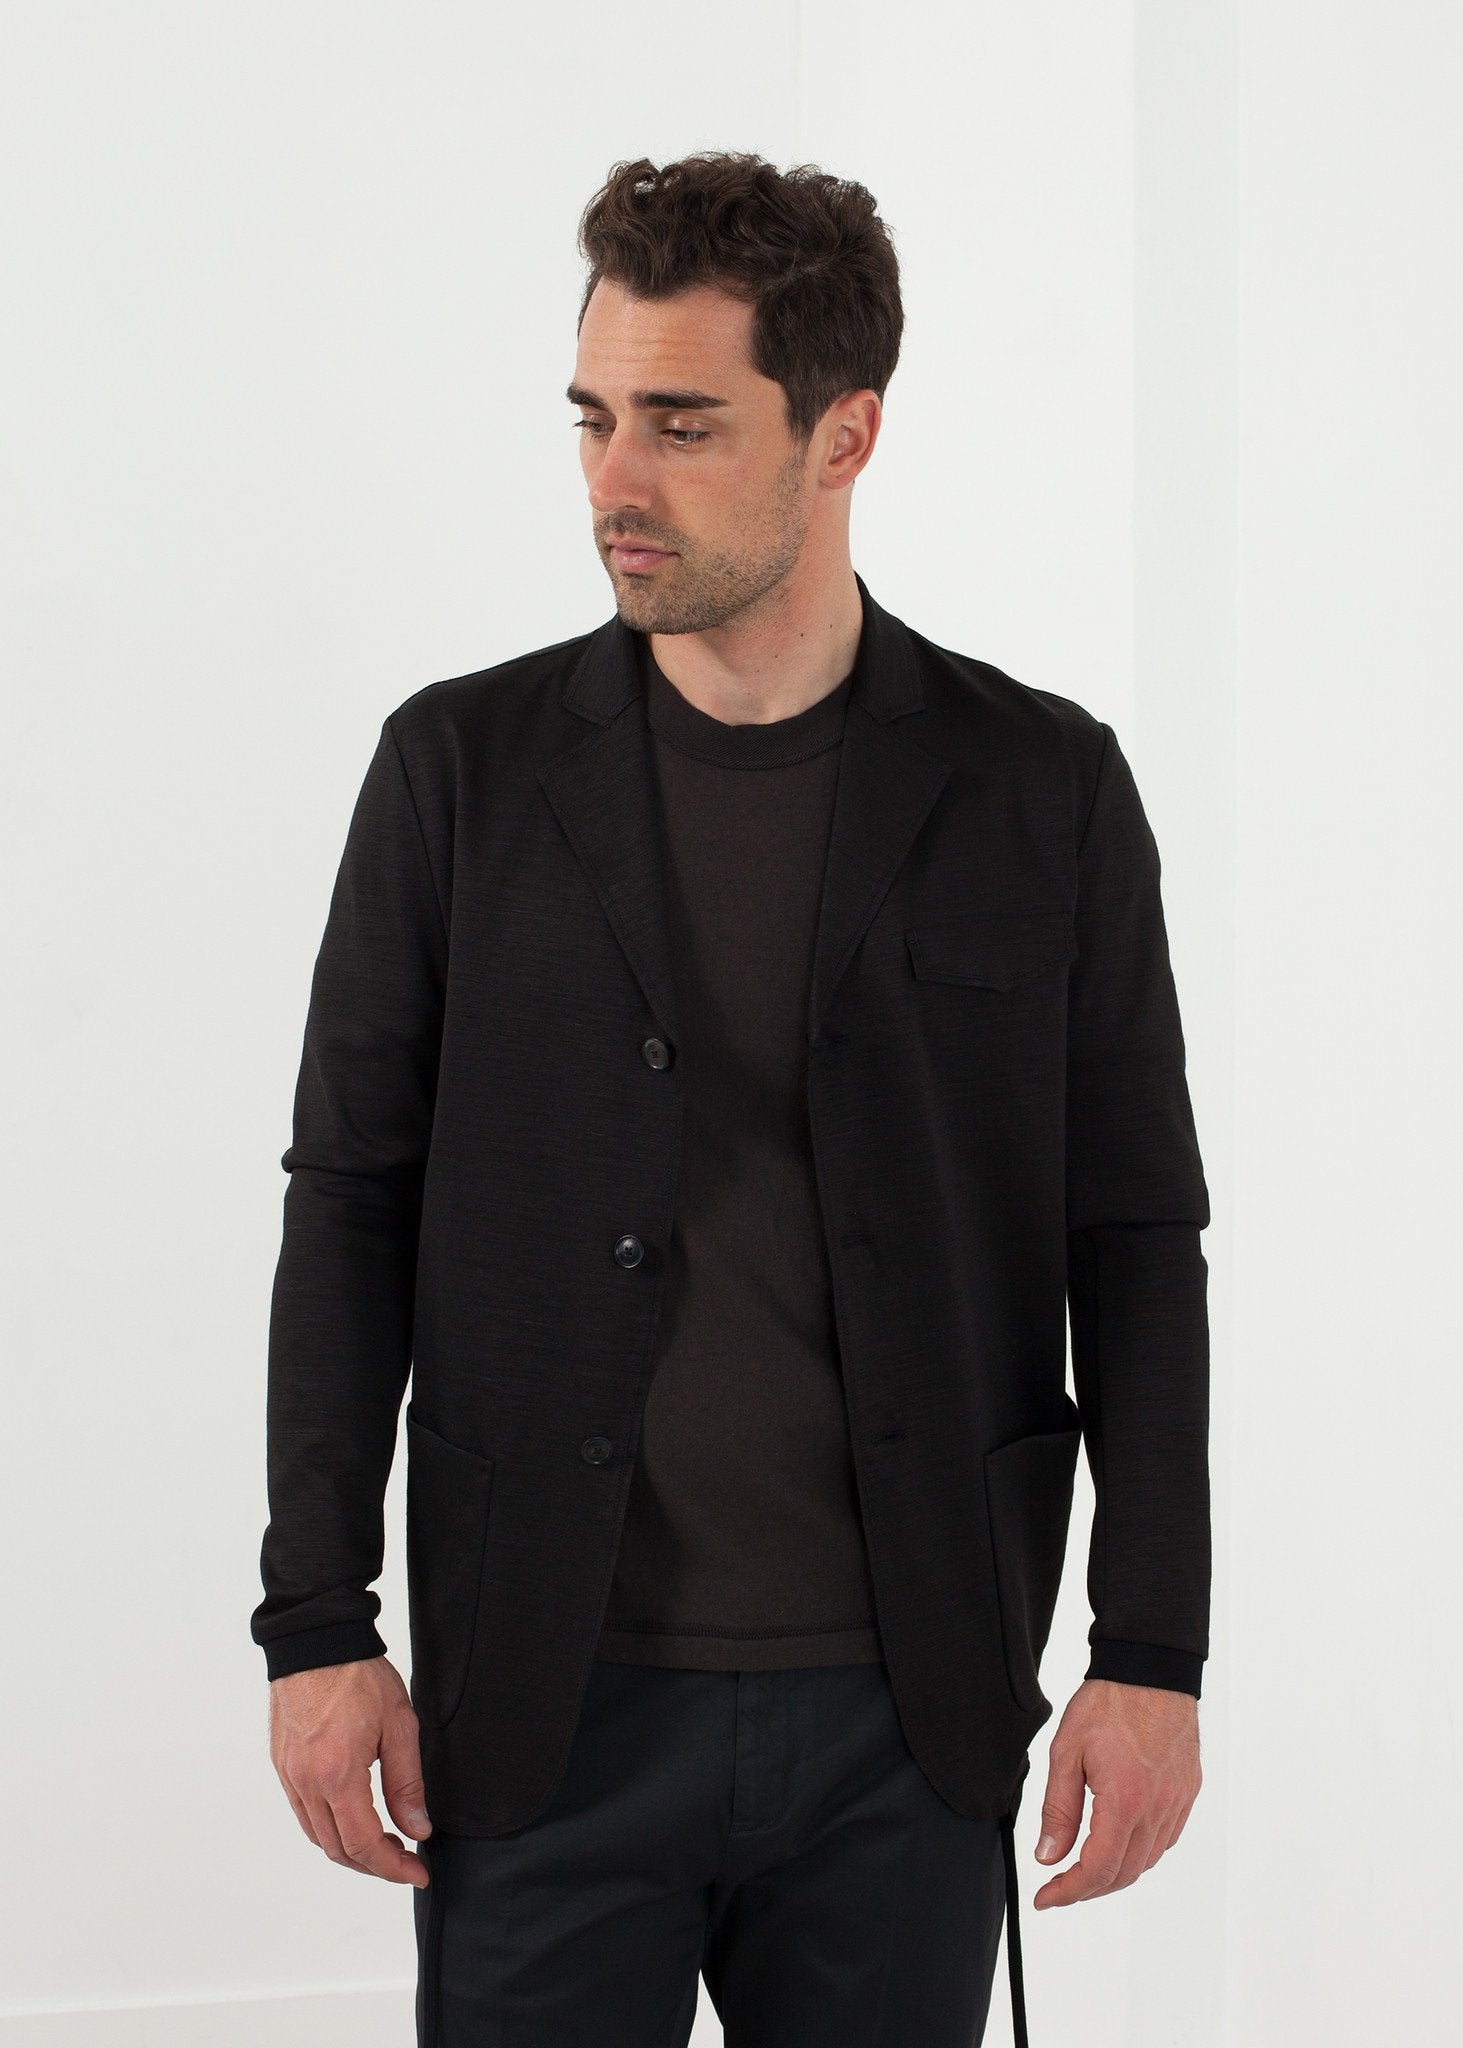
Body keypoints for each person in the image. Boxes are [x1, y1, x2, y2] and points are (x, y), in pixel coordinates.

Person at [252, 150, 1210, 2048]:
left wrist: (1153, 1649)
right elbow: (350, 1199)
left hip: (909, 1707)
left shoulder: (1043, 787)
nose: (615, 480)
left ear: (844, 434)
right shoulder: (459, 771)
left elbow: (1135, 1238)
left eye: (683, 426)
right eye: (594, 417)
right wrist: (317, 1621)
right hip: (546, 1698)